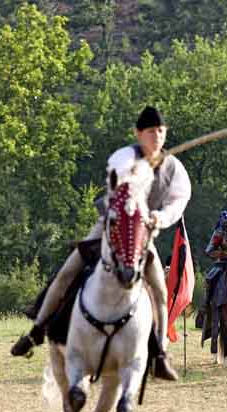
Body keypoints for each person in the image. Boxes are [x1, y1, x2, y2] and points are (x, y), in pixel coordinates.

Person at [10, 106, 190, 381]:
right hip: (110, 229)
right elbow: (124, 187)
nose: (157, 137)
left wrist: (159, 218)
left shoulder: (174, 168)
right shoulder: (124, 157)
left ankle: (160, 355)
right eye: (151, 132)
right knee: (67, 273)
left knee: (160, 291)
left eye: (161, 132)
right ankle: (36, 331)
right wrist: (142, 169)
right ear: (138, 134)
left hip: (143, 235)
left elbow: (179, 201)